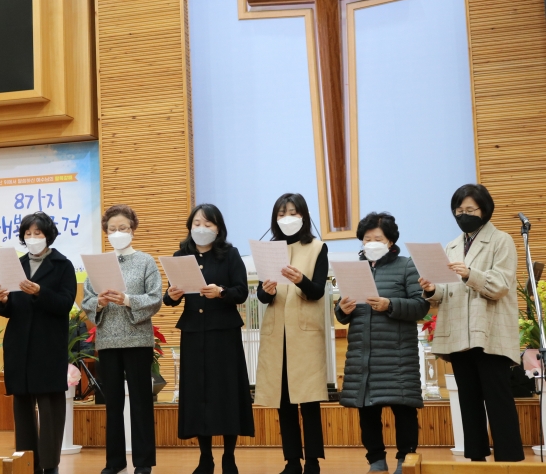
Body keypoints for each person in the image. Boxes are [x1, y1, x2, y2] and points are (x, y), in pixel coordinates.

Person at [419, 183, 524, 462]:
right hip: (458, 334)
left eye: (469, 209)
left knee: (498, 400)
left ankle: (509, 461)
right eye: (458, 210)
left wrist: (469, 274)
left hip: (489, 332)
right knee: (468, 402)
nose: (463, 215)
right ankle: (476, 460)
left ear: (484, 210)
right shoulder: (452, 246)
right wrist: (431, 289)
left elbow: (500, 285)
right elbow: (446, 291)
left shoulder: (501, 240)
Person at [336, 213, 429, 474]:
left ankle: (405, 460)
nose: (371, 243)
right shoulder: (355, 268)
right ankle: (376, 460)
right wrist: (342, 309)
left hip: (397, 354)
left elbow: (421, 306)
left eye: (378, 238)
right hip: (362, 353)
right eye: (367, 239)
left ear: (390, 241)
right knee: (367, 409)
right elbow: (343, 311)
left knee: (403, 409)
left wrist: (390, 304)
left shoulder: (406, 266)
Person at [163, 203, 254, 474]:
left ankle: (229, 457)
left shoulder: (230, 254)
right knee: (198, 394)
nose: (201, 228)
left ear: (218, 228)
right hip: (193, 334)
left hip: (224, 333)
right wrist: (172, 295)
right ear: (190, 227)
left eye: (207, 224)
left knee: (226, 393)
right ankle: (205, 458)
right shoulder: (181, 256)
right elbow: (170, 298)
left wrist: (222, 292)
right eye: (197, 224)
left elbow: (241, 292)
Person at [83, 204, 163, 474]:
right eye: (112, 229)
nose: (117, 233)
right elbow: (87, 301)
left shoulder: (146, 261)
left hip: (138, 340)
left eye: (123, 228)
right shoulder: (98, 263)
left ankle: (143, 462)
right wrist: (100, 302)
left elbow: (155, 298)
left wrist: (127, 299)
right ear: (106, 232)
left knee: (141, 402)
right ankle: (114, 462)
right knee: (112, 404)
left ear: (133, 229)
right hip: (108, 341)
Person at [0, 212, 76, 474]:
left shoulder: (63, 265)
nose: (32, 238)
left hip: (47, 346)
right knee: (22, 406)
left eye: (37, 233)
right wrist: (3, 301)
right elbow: (9, 310)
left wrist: (40, 292)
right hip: (19, 345)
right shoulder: (16, 265)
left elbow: (65, 304)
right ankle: (27, 463)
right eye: (28, 234)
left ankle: (50, 465)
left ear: (47, 235)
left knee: (50, 407)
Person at [255, 193, 328, 474]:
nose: (287, 218)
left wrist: (301, 280)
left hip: (304, 334)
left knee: (308, 400)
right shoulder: (268, 249)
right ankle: (292, 461)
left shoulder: (317, 247)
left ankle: (313, 462)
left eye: (293, 212)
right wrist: (267, 291)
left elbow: (318, 291)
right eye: (281, 213)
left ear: (304, 216)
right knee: (283, 401)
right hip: (278, 335)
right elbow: (262, 296)